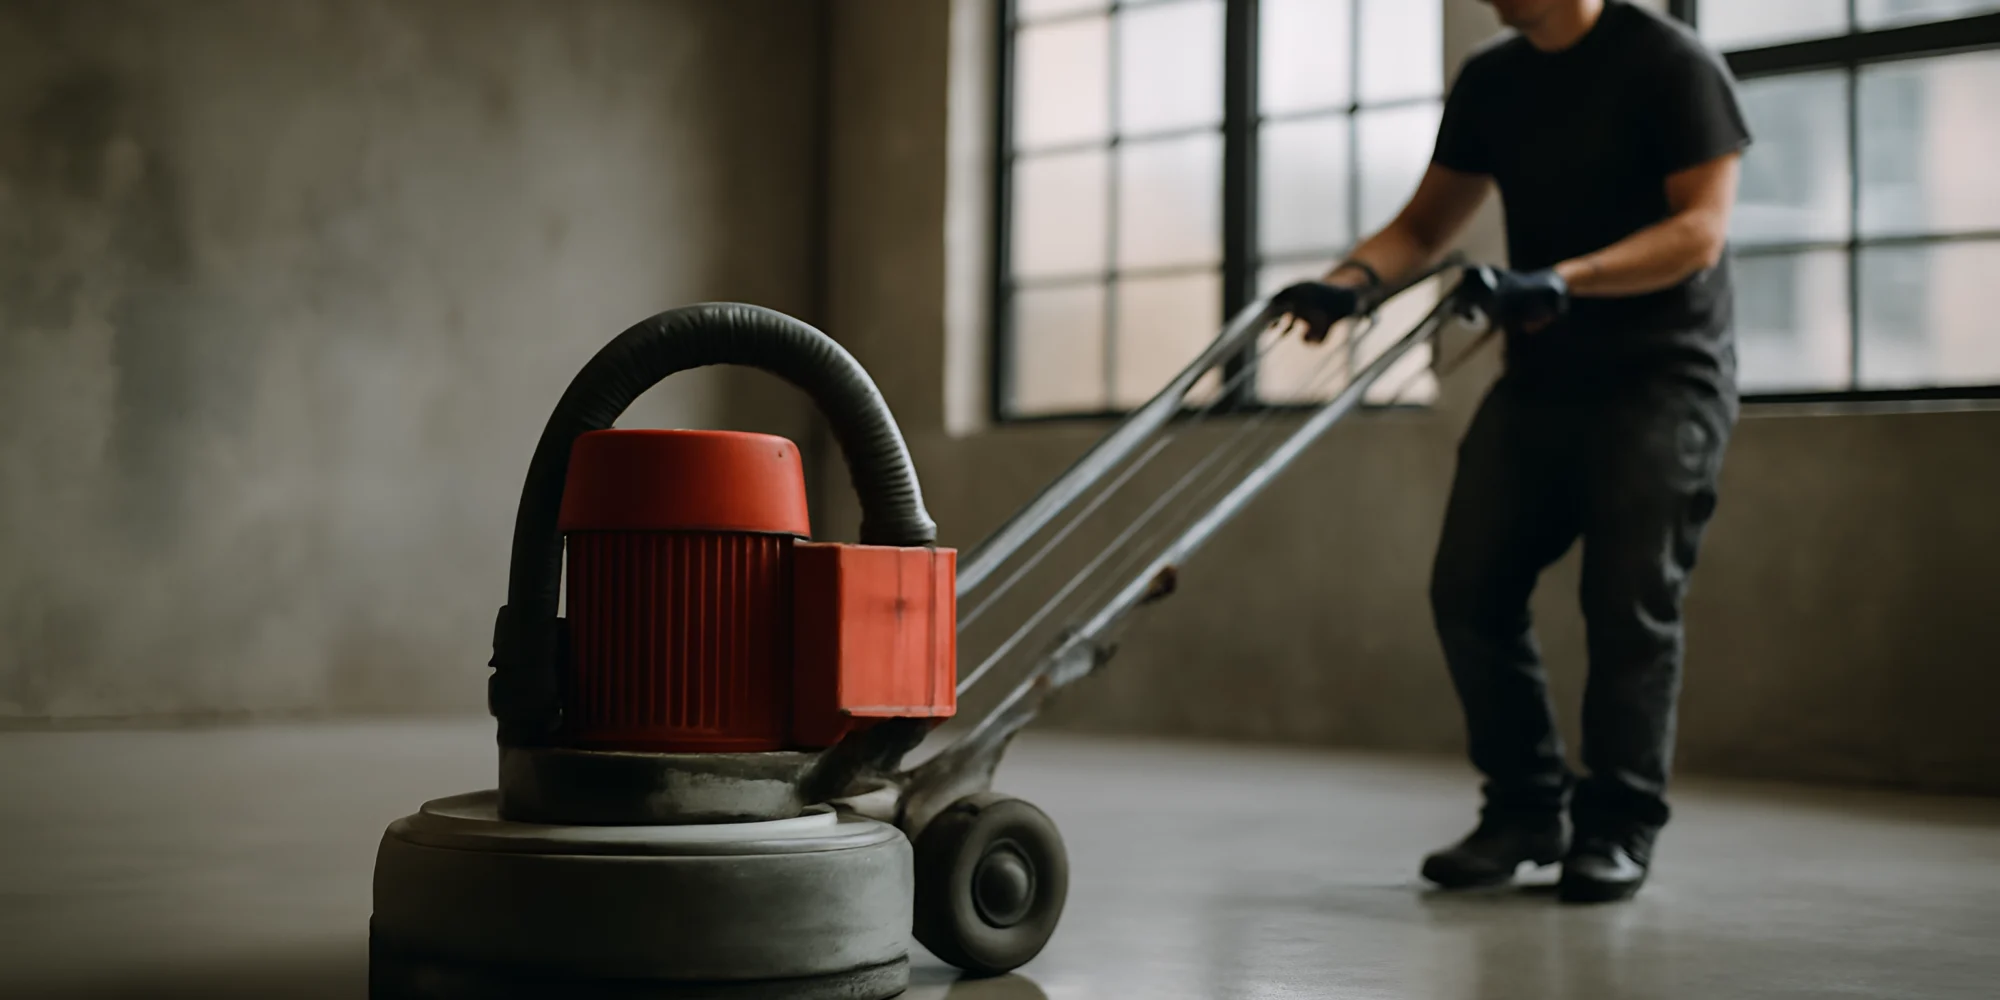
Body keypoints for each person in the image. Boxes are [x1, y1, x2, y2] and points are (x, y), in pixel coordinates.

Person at [1270, 0, 1750, 903]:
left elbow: (1699, 232)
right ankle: (1526, 810)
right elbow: (1422, 229)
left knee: (1628, 603)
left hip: (1663, 377)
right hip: (1541, 380)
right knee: (1470, 588)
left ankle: (1617, 828)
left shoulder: (1672, 65)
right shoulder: (1493, 80)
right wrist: (1346, 286)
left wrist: (1560, 280)